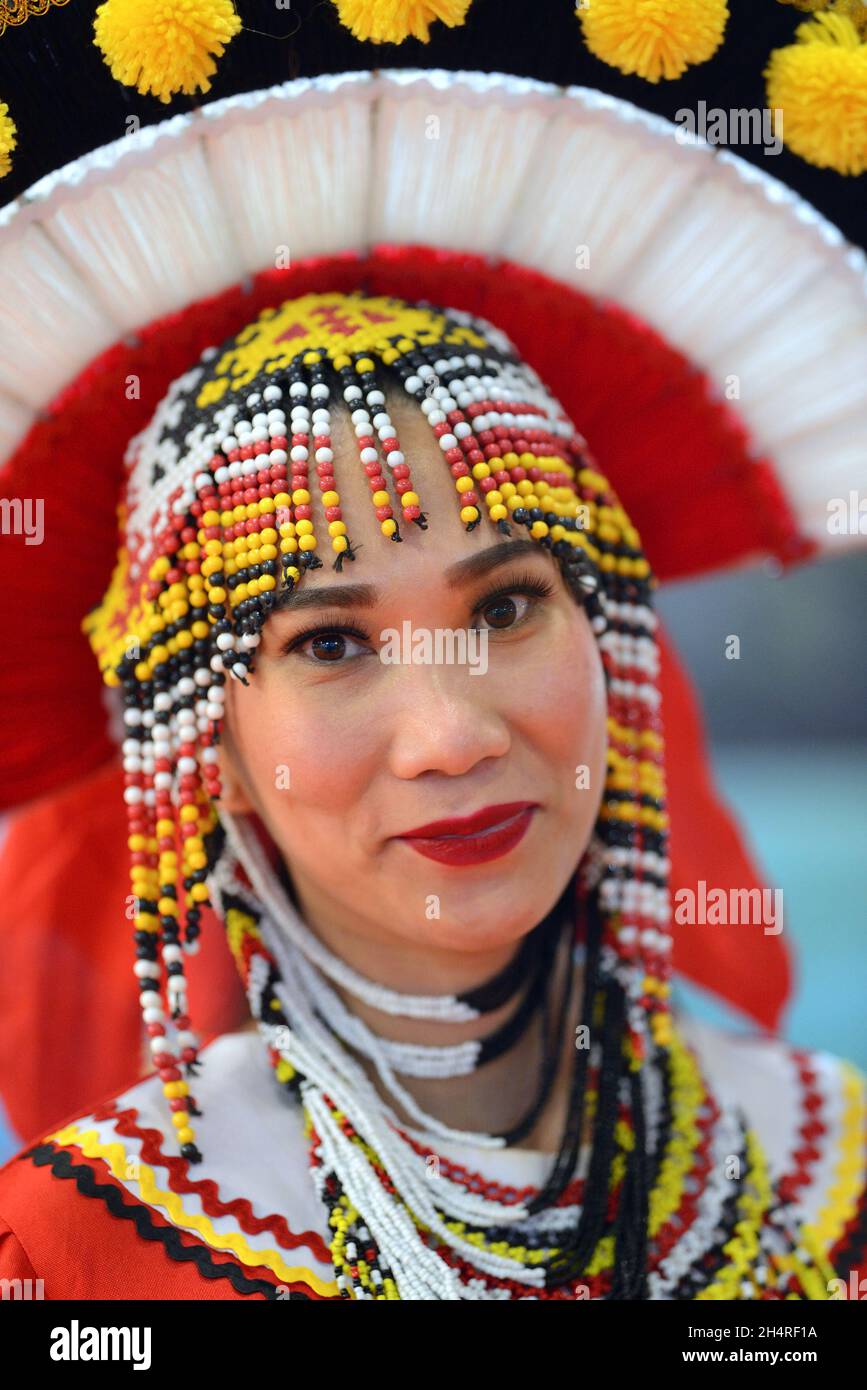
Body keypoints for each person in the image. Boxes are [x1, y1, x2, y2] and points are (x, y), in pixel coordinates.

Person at [0, 291, 864, 1302]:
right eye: (331, 644)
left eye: (505, 606)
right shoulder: (85, 1262)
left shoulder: (833, 1177)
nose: (454, 736)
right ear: (212, 747)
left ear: (610, 643)